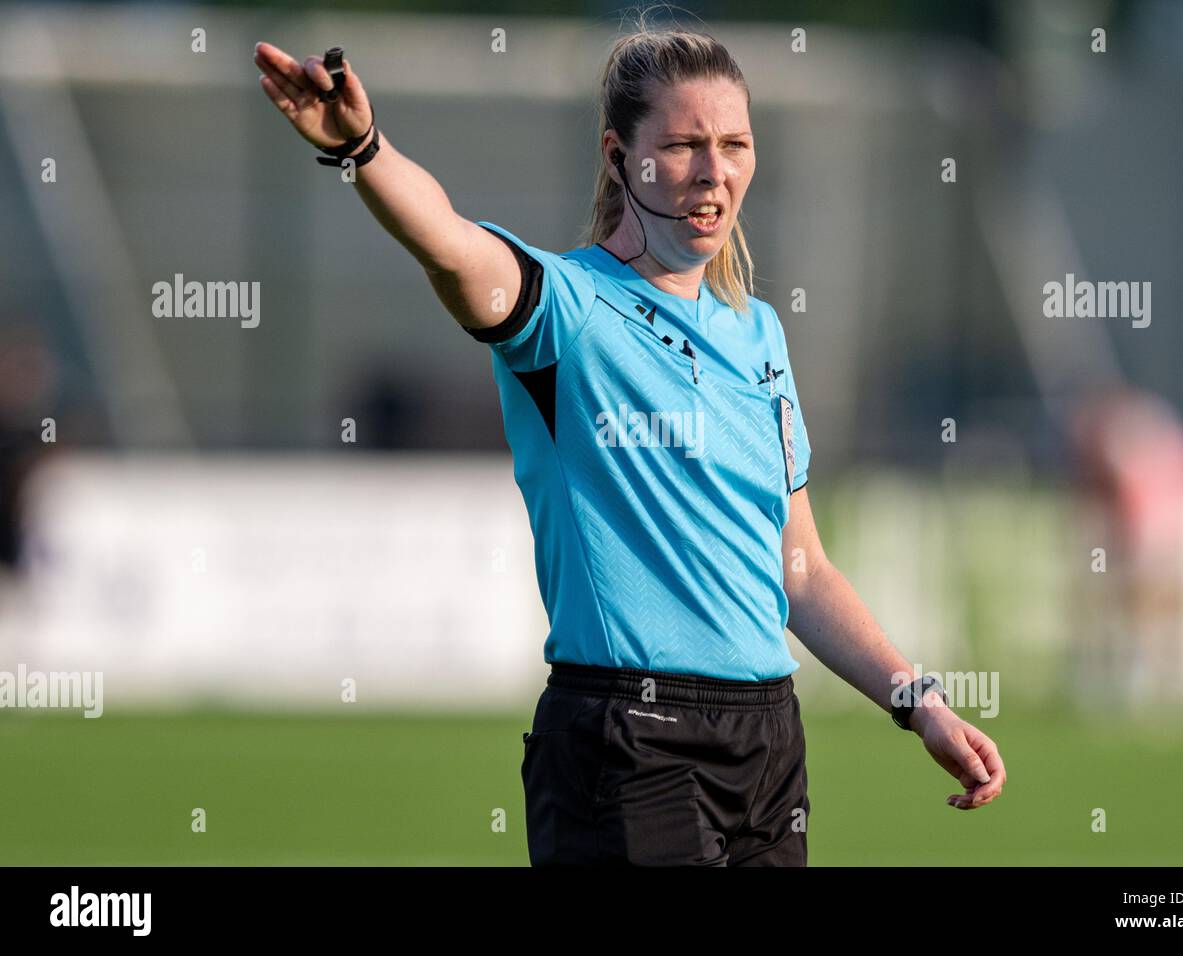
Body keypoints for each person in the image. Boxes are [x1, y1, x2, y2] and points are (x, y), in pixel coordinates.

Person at [254, 19, 1006, 866]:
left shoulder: (759, 334)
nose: (714, 172)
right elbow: (451, 245)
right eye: (684, 145)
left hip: (768, 745)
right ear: (621, 157)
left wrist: (918, 700)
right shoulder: (566, 310)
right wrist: (363, 148)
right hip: (628, 741)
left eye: (734, 144)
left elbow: (802, 572)